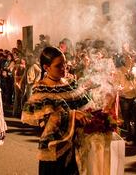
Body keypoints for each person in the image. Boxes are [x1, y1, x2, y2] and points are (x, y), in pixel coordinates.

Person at [21, 46, 92, 174]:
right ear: (46, 68)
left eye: (65, 64)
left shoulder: (70, 83)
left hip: (77, 146)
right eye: (59, 66)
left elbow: (86, 107)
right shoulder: (41, 89)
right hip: (55, 149)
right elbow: (47, 120)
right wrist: (73, 115)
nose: (64, 68)